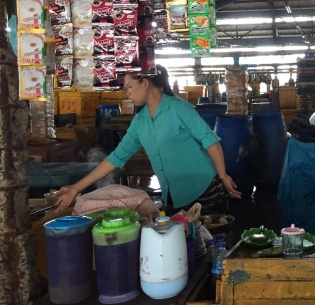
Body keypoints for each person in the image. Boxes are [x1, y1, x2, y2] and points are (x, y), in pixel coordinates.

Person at [54, 65, 242, 215]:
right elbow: (116, 158)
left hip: (205, 191)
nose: (127, 93)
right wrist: (76, 188)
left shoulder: (178, 109)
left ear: (144, 82)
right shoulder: (140, 122)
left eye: (129, 87)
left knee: (211, 247)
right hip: (173, 199)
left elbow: (211, 142)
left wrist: (223, 176)